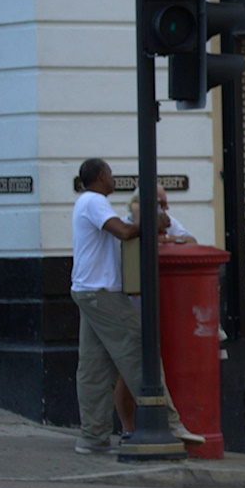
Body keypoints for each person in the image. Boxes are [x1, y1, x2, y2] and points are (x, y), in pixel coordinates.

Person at [70, 159, 202, 453]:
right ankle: (169, 423)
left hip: (86, 292)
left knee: (93, 369)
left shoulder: (85, 203)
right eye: (110, 175)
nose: (113, 179)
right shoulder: (94, 201)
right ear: (101, 176)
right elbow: (125, 232)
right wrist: (152, 224)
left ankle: (93, 436)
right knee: (139, 351)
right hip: (102, 293)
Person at [114, 185, 197, 433]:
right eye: (161, 203)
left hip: (165, 306)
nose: (166, 208)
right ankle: (128, 428)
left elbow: (191, 241)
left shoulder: (170, 224)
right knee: (128, 370)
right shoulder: (125, 226)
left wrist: (167, 238)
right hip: (132, 305)